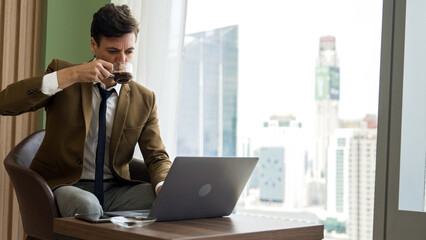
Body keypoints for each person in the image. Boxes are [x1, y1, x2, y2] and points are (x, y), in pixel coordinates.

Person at [0, 3, 171, 217]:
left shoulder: (144, 99)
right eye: (113, 51)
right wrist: (71, 76)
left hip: (116, 191)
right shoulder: (65, 76)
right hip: (66, 186)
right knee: (88, 206)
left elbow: (156, 156)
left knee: (170, 202)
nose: (122, 61)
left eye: (129, 51)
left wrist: (163, 185)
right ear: (93, 45)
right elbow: (5, 104)